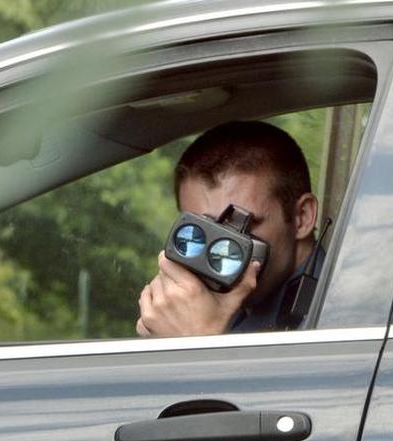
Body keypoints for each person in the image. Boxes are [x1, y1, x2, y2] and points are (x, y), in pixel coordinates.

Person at [136, 120, 322, 337]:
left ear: (302, 217)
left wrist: (198, 341)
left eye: (239, 229)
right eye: (200, 233)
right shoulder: (220, 303)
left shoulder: (341, 313)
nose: (219, 253)